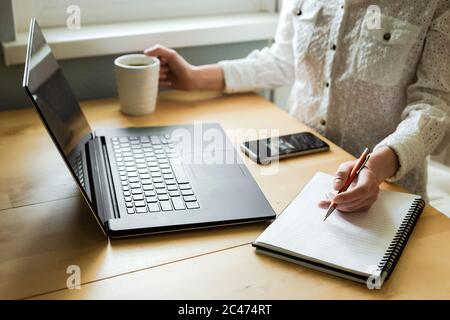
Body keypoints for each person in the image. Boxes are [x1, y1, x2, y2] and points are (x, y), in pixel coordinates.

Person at [144, 0, 450, 213]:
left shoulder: (435, 5)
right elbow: (283, 59)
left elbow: (433, 106)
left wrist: (375, 168)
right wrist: (195, 77)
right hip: (296, 171)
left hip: (387, 191)